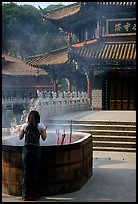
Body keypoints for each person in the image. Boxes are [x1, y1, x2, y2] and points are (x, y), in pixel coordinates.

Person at [19, 110, 47, 201]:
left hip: (26, 150)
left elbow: (20, 137)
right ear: (38, 117)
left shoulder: (25, 125)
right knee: (35, 173)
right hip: (36, 150)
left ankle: (25, 195)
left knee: (26, 173)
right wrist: (44, 129)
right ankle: (35, 195)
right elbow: (44, 138)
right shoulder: (40, 126)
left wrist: (20, 130)